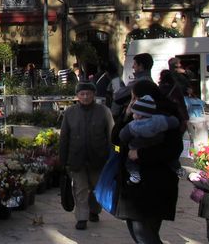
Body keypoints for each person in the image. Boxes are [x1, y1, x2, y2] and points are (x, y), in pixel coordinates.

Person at [112, 80, 183, 244]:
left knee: (144, 233)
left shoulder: (165, 117)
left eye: (136, 97)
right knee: (137, 230)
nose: (133, 101)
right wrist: (126, 115)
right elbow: (116, 139)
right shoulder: (134, 114)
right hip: (133, 183)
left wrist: (141, 154)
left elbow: (173, 149)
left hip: (156, 182)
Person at [59, 81, 114, 230]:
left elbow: (111, 136)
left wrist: (113, 157)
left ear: (94, 95)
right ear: (77, 96)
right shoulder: (70, 112)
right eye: (82, 94)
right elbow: (64, 137)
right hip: (76, 159)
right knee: (80, 189)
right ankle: (81, 218)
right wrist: (63, 160)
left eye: (88, 94)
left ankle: (94, 211)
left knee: (96, 188)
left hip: (99, 158)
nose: (85, 97)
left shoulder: (104, 111)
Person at [119, 94, 181, 184]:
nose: (133, 114)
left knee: (130, 162)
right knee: (172, 160)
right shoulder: (160, 120)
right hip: (156, 144)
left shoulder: (133, 126)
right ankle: (177, 168)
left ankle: (135, 174)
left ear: (139, 116)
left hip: (137, 148)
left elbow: (122, 136)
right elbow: (175, 122)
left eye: (134, 113)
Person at [112, 52, 154, 121]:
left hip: (134, 118)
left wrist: (115, 79)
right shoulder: (149, 80)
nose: (132, 67)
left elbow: (118, 96)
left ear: (141, 66)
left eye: (134, 64)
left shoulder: (139, 82)